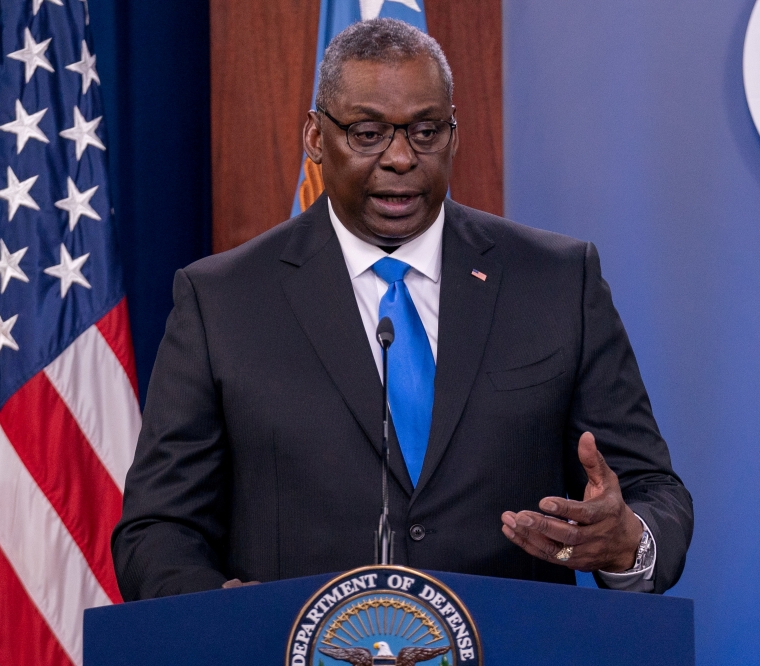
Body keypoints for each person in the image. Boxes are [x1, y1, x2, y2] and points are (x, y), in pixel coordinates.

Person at [112, 19, 693, 600]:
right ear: (316, 137)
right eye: (367, 133)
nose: (399, 158)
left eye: (425, 131)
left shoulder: (557, 281)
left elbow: (651, 488)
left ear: (453, 135)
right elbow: (158, 529)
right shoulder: (223, 301)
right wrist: (225, 619)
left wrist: (629, 543)